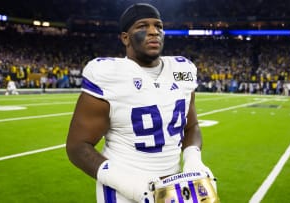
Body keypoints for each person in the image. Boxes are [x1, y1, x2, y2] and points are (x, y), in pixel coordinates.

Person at [66, 3, 217, 203]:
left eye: (159, 26)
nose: (154, 32)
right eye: (142, 26)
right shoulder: (109, 74)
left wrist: (193, 160)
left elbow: (192, 126)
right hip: (123, 190)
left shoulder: (183, 71)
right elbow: (77, 147)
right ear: (125, 38)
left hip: (172, 185)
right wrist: (131, 185)